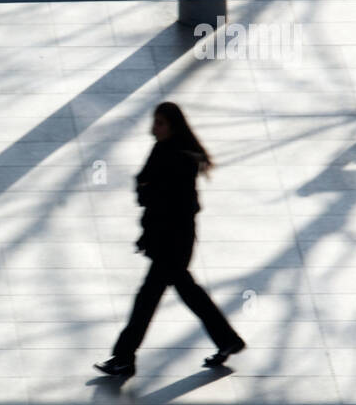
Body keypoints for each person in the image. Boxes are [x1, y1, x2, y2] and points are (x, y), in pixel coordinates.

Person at [95, 102, 244, 380]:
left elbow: (173, 201)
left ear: (173, 125)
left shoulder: (178, 158)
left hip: (172, 243)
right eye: (155, 121)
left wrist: (149, 197)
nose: (155, 127)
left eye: (160, 122)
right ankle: (227, 340)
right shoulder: (164, 150)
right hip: (168, 240)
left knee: (146, 301)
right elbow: (148, 187)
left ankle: (124, 358)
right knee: (189, 294)